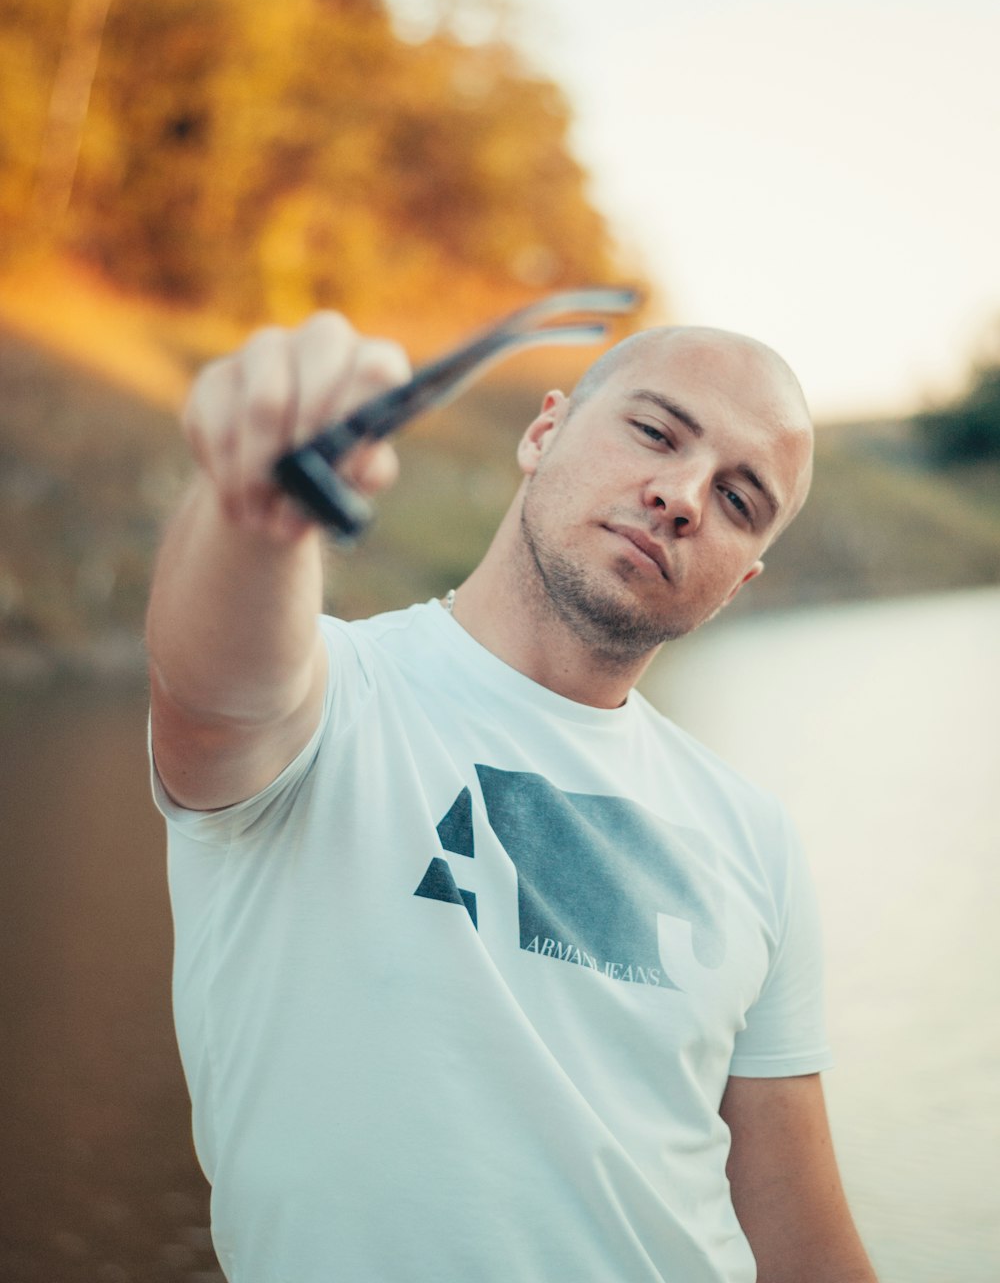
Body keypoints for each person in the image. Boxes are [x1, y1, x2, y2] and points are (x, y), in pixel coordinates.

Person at [146, 311, 878, 1283]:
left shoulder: (752, 837)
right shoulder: (327, 700)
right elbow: (213, 694)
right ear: (544, 431)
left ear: (738, 580)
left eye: (740, 499)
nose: (681, 495)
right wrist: (250, 506)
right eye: (656, 433)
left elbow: (804, 1247)